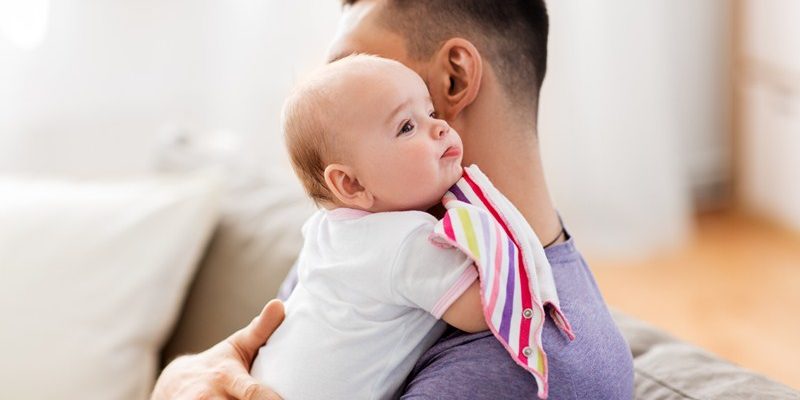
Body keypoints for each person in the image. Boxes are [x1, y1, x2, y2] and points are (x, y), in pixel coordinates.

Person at [152, 1, 635, 399]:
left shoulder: (526, 364)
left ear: (453, 80)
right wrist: (179, 379)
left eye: (351, 66)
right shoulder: (356, 226)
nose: (332, 91)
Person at [250, 54, 486, 399]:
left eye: (431, 112)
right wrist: (485, 221)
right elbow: (486, 311)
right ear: (351, 185)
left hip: (261, 379)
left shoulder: (323, 229)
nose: (441, 127)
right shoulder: (408, 240)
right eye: (407, 126)